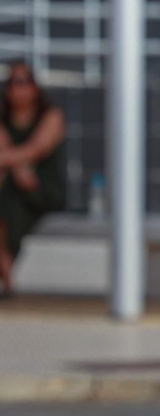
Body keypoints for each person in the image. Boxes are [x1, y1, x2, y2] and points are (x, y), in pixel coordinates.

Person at [0, 63, 67, 297]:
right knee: (9, 201)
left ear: (35, 87)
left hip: (44, 190)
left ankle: (6, 269)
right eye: (13, 83)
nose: (18, 89)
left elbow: (36, 149)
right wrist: (18, 167)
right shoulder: (3, 120)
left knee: (8, 202)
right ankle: (6, 270)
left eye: (24, 81)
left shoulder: (51, 116)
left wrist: (14, 164)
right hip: (15, 191)